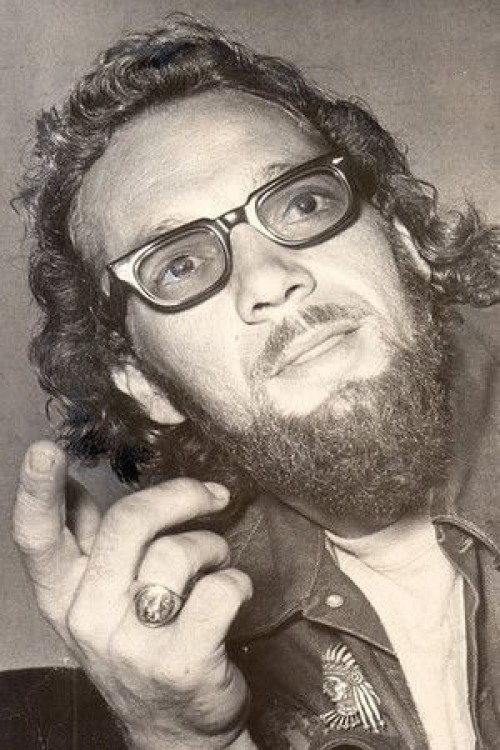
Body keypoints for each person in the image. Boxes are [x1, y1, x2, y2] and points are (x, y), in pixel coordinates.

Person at [7, 13, 500, 750]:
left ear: (403, 243)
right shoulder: (209, 630)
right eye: (179, 265)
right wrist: (181, 737)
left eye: (303, 203)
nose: (269, 279)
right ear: (145, 383)